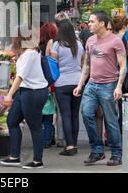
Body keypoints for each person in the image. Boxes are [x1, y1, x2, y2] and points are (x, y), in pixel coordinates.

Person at [73, 11, 127, 166]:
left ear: (102, 23)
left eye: (91, 21)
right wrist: (80, 84)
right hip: (91, 84)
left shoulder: (115, 41)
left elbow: (122, 65)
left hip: (109, 85)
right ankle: (97, 150)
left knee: (111, 121)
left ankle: (116, 153)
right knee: (86, 113)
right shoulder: (90, 41)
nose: (88, 24)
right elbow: (87, 65)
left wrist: (118, 86)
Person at [0, 25, 49, 169]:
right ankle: (14, 156)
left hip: (33, 92)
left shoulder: (30, 53)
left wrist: (9, 95)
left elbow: (20, 76)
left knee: (35, 126)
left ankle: (37, 160)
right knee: (12, 121)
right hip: (25, 91)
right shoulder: (28, 52)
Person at [47, 19, 84, 156]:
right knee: (75, 115)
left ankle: (69, 146)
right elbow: (83, 63)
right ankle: (74, 144)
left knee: (66, 115)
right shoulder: (79, 45)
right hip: (78, 83)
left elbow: (53, 64)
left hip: (62, 83)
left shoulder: (57, 45)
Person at [39, 22, 58, 148]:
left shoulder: (38, 45)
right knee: (49, 114)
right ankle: (47, 139)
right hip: (49, 81)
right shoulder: (53, 43)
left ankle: (43, 139)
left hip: (38, 82)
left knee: (40, 114)